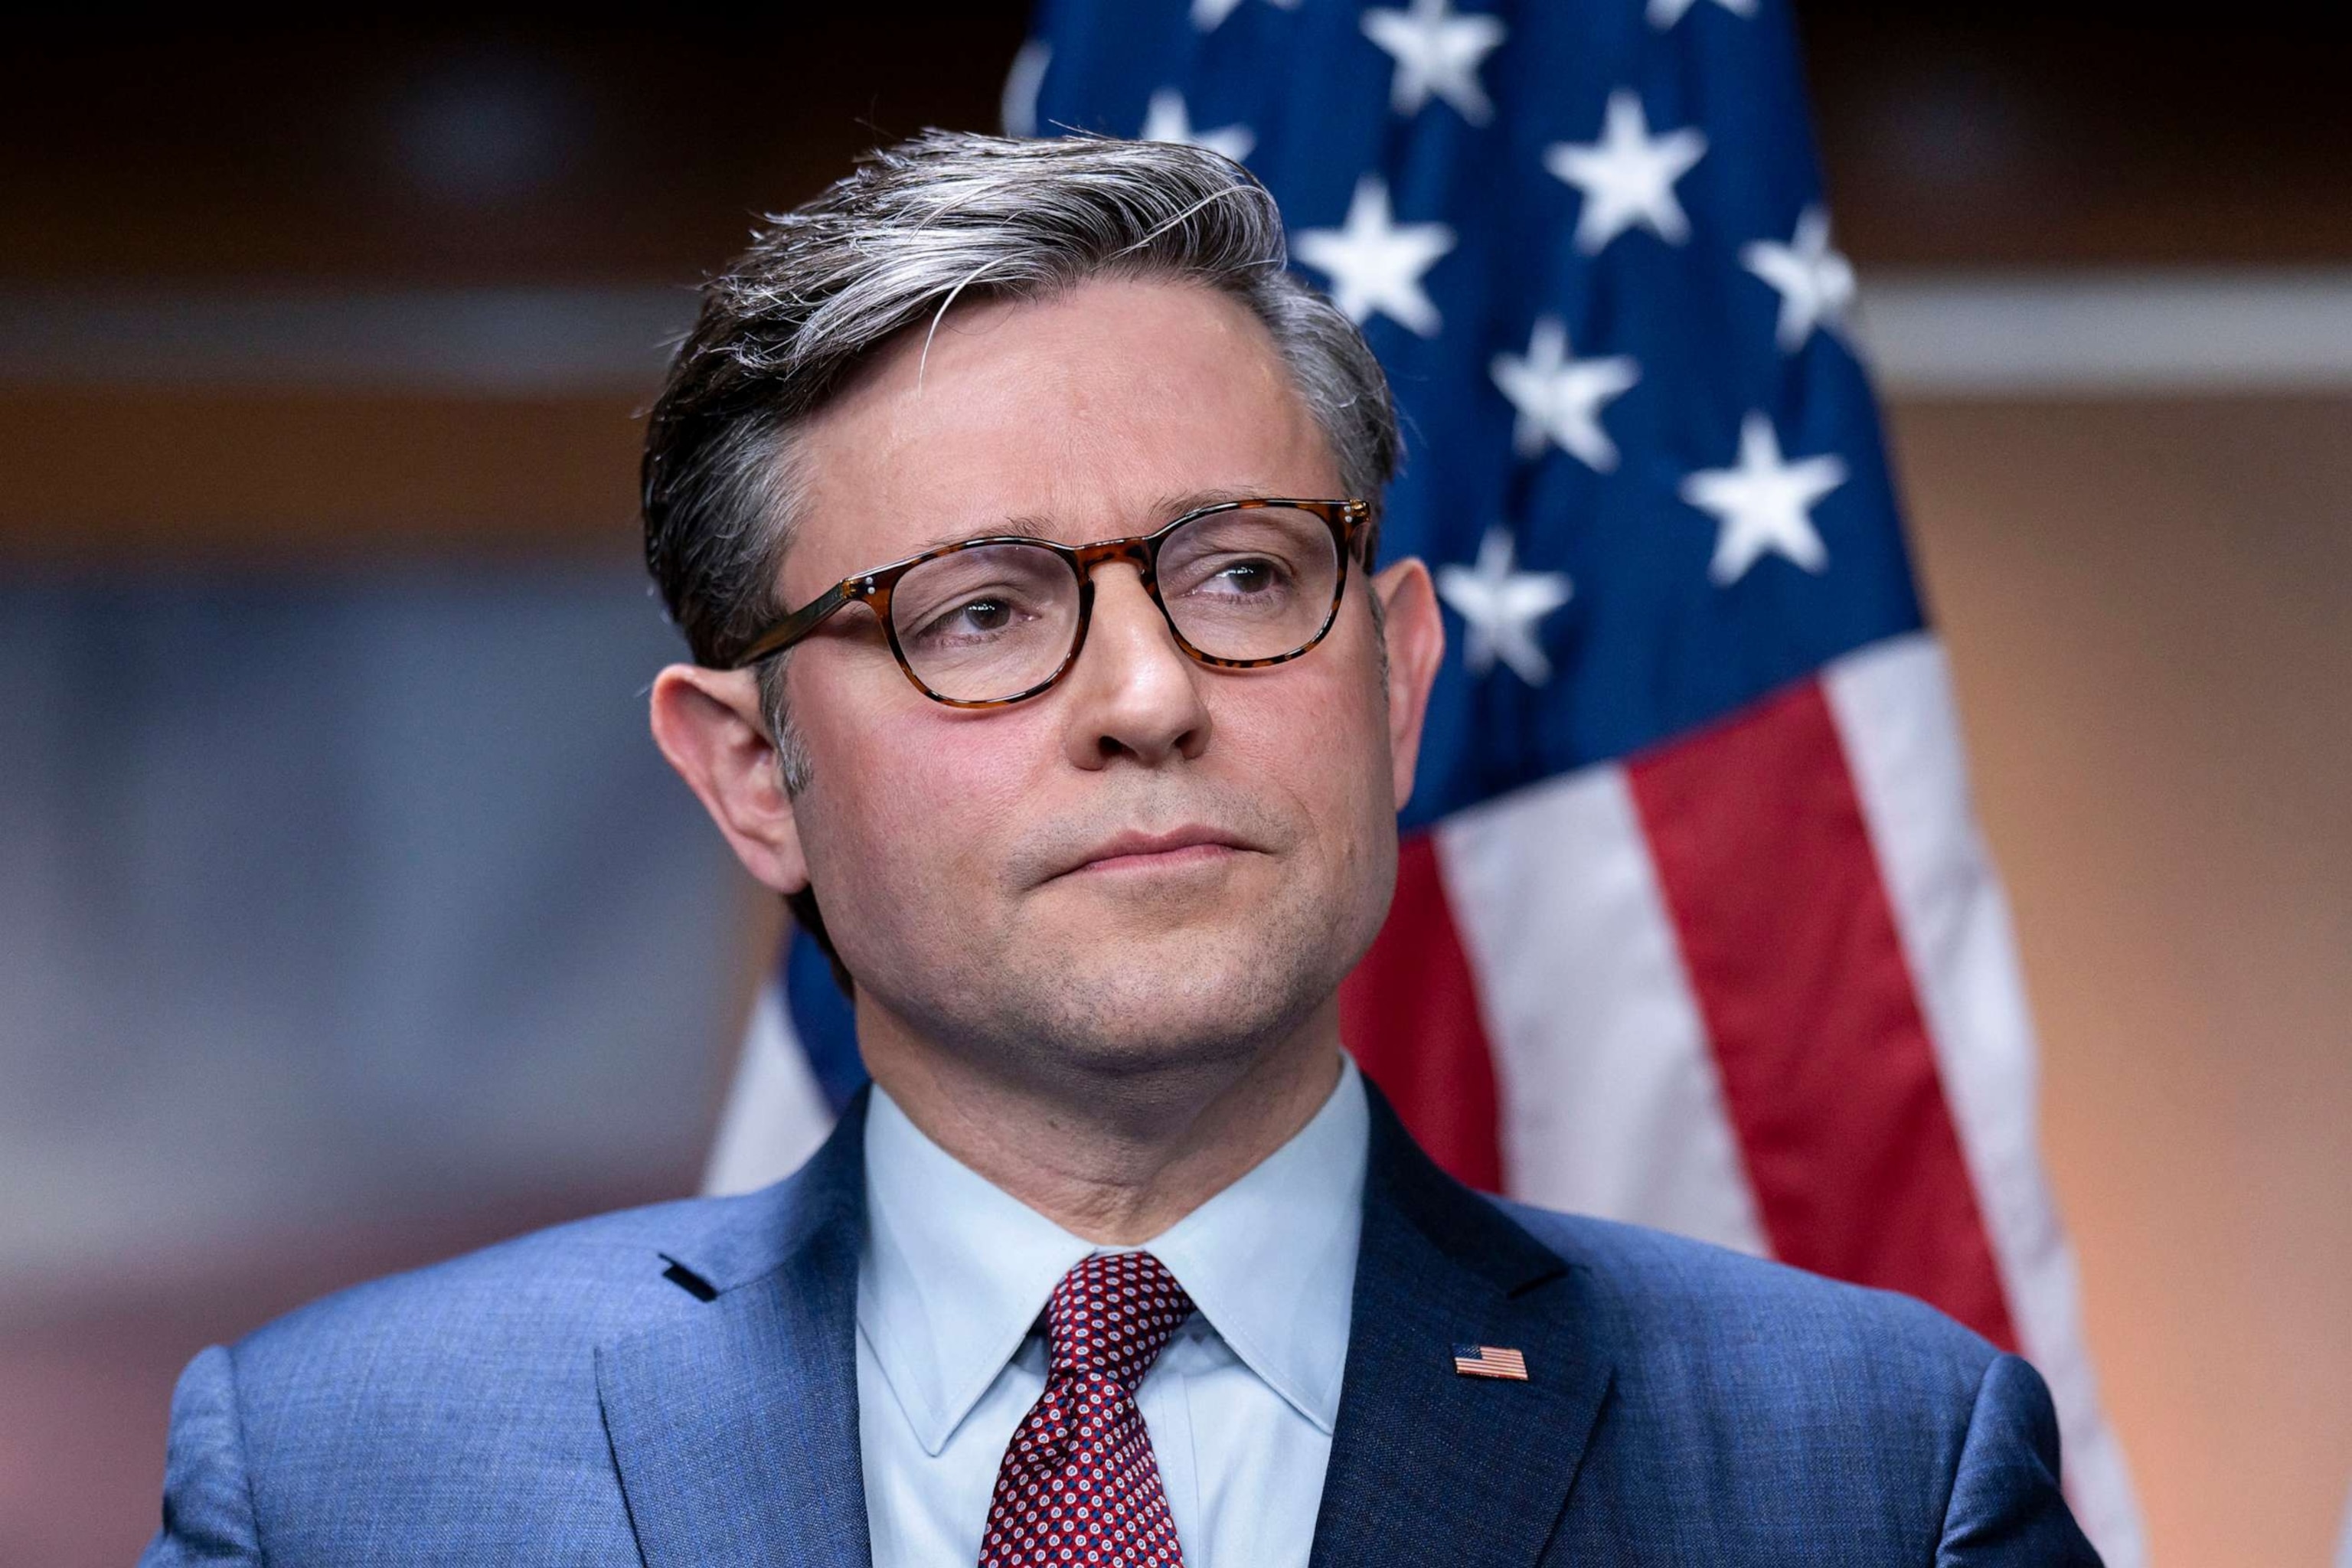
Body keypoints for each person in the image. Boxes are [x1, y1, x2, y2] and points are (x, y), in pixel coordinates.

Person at [142, 132, 2099, 1566]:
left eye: (1244, 573)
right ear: (753, 775)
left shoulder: (1872, 1471)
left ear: (1398, 677)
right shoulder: (343, 1478)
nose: (1150, 694)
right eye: (980, 612)